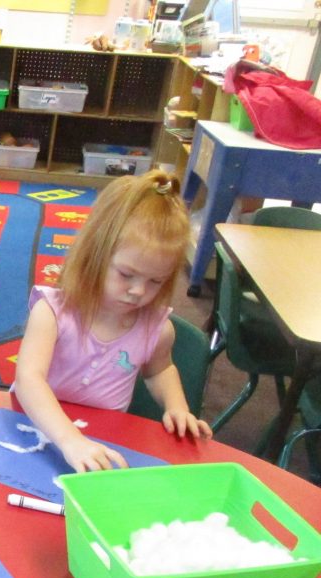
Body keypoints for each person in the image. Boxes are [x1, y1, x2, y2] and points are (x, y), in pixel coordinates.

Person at [13, 170, 212, 473]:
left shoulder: (156, 329)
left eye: (155, 281)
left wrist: (177, 407)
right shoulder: (52, 312)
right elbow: (29, 379)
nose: (138, 291)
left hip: (102, 441)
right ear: (95, 255)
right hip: (29, 426)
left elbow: (160, 370)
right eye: (126, 274)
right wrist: (70, 440)